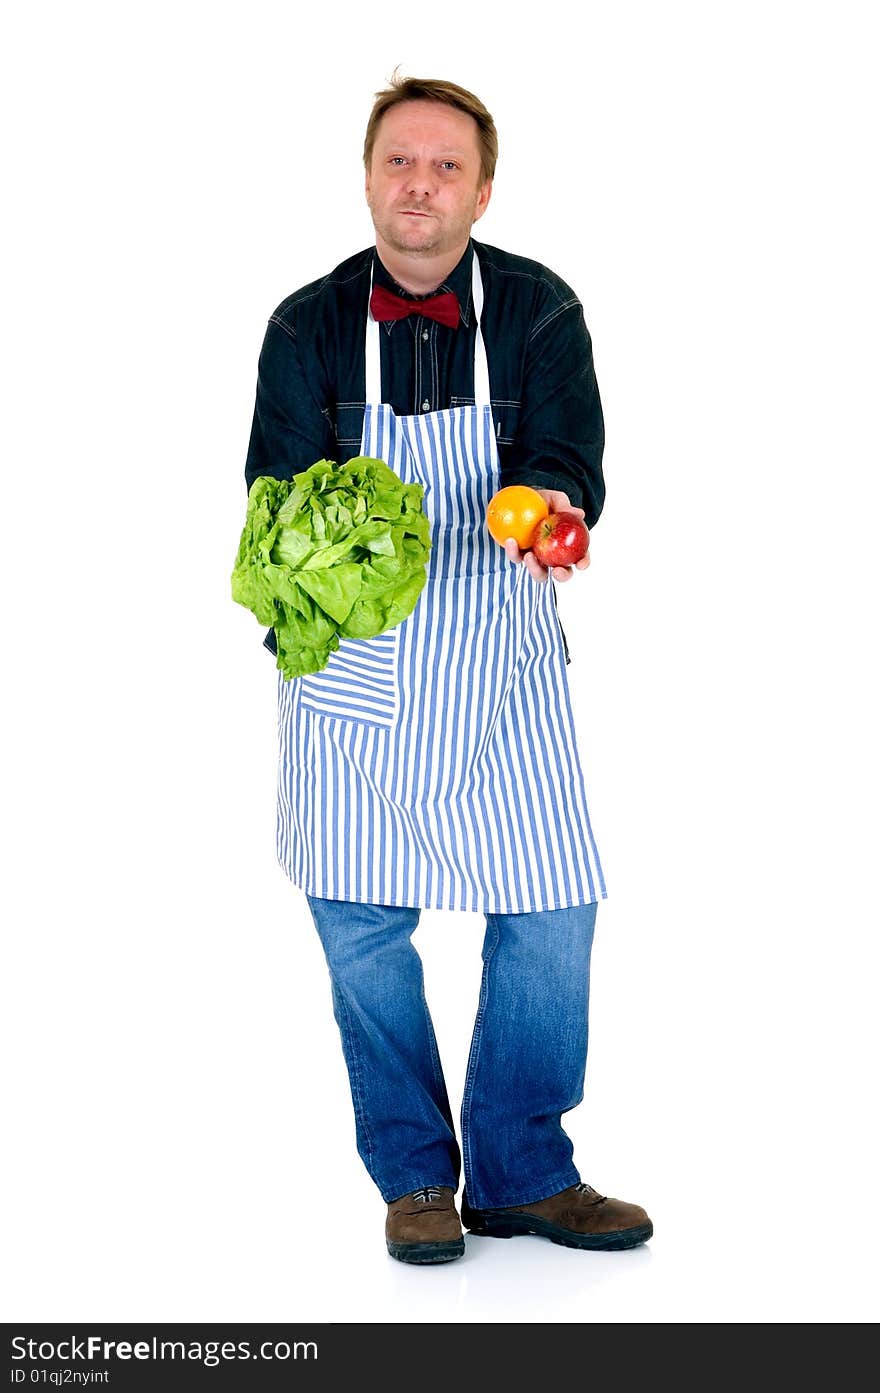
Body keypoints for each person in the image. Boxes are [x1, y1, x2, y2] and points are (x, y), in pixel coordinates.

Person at [242, 74, 651, 1264]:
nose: (419, 184)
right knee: (360, 923)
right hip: (354, 671)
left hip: (499, 656)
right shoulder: (301, 327)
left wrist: (545, 509)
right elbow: (270, 508)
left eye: (445, 167)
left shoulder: (537, 309)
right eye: (399, 163)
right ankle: (417, 1176)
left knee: (551, 904)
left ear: (481, 187)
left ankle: (521, 1168)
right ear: (369, 176)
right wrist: (314, 591)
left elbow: (568, 458)